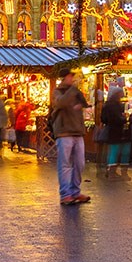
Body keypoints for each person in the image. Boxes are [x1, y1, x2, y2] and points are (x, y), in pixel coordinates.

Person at [50, 71, 90, 205]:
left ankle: (75, 192)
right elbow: (61, 103)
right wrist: (72, 90)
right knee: (65, 164)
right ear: (64, 78)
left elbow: (85, 104)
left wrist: (80, 102)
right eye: (70, 76)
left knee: (79, 163)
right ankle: (65, 194)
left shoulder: (75, 91)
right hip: (64, 132)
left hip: (77, 131)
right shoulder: (57, 92)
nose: (72, 79)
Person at [100, 85, 129, 179]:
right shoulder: (116, 106)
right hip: (116, 131)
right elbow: (117, 119)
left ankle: (110, 169)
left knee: (112, 150)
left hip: (110, 130)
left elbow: (103, 119)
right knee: (116, 150)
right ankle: (113, 172)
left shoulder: (106, 105)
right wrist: (124, 118)